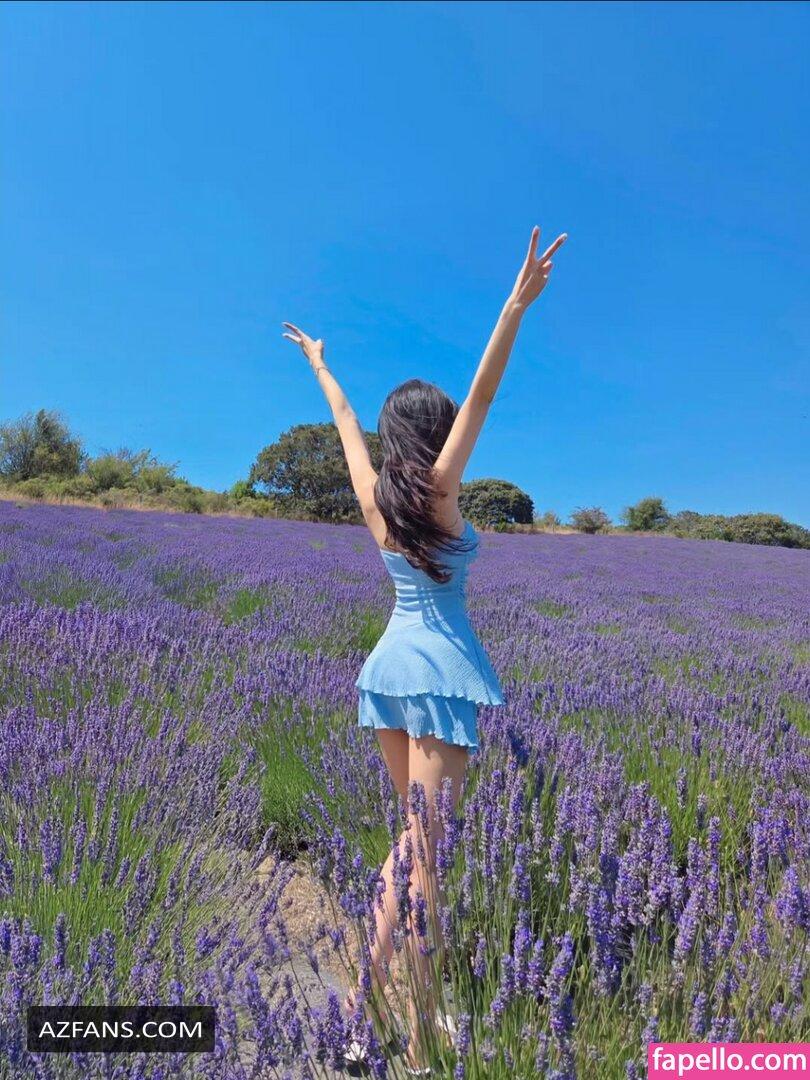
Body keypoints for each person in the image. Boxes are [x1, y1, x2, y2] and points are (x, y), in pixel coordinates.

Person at [282, 224, 567, 1075]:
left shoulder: (377, 501)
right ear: (435, 434)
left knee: (405, 848)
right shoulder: (439, 496)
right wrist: (514, 308)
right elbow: (484, 394)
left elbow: (343, 424)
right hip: (440, 676)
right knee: (426, 862)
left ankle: (361, 1017)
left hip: (386, 673)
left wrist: (321, 365)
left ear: (392, 435)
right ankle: (418, 1033)